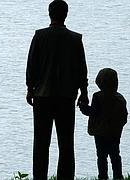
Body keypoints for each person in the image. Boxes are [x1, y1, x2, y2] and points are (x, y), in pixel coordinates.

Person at [25, 0, 89, 179]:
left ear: (49, 13)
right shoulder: (75, 39)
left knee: (41, 144)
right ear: (66, 14)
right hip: (66, 97)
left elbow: (32, 66)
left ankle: (40, 177)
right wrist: (83, 93)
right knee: (66, 144)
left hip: (42, 96)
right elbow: (81, 69)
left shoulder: (39, 36)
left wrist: (30, 89)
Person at [79, 68, 128, 180]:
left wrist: (83, 107)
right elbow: (124, 117)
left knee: (101, 156)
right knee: (115, 155)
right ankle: (118, 176)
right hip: (115, 133)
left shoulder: (98, 96)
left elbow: (92, 112)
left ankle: (103, 177)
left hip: (100, 133)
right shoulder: (120, 98)